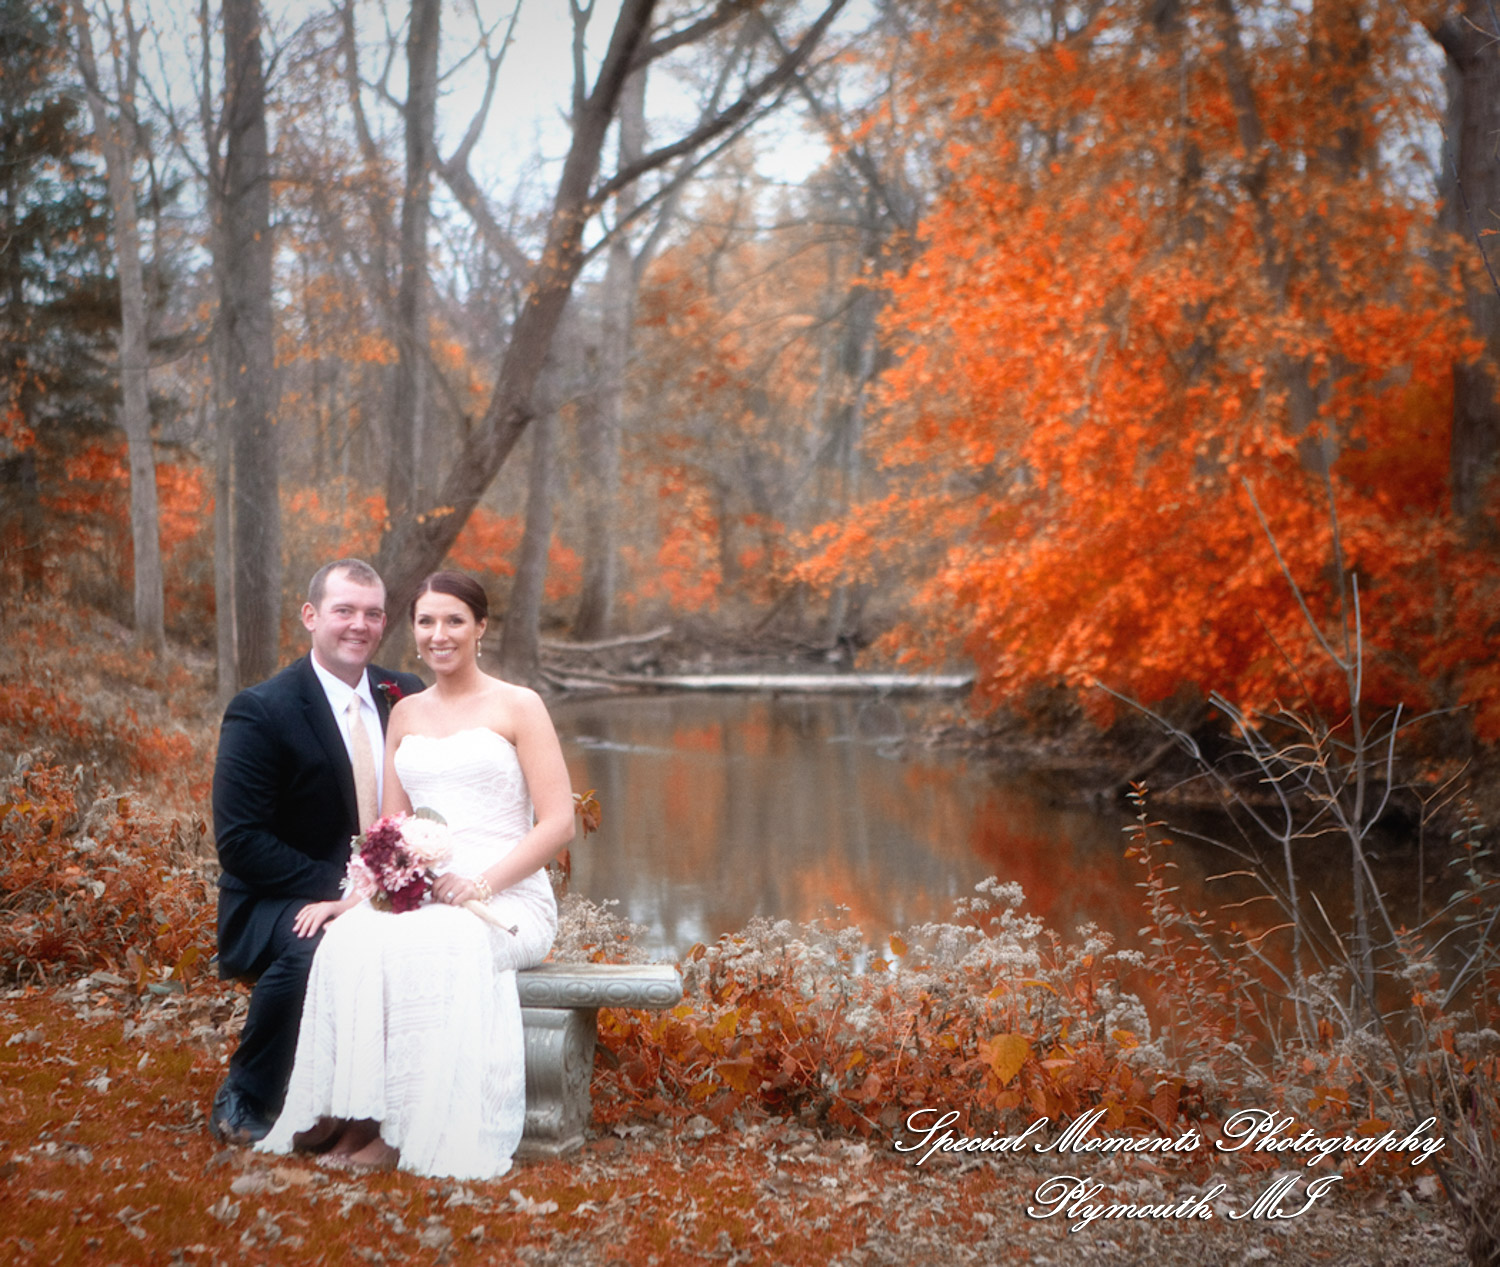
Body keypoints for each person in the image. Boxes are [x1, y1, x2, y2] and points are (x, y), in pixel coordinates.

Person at [257, 570, 574, 1179]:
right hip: (422, 893)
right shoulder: (404, 714)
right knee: (351, 940)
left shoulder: (519, 706)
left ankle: (405, 1128)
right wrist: (352, 900)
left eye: (454, 620)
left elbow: (559, 823)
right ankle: (355, 1113)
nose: (439, 634)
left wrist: (481, 883)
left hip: (504, 902)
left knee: (439, 941)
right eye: (426, 621)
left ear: (481, 628)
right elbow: (390, 832)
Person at [209, 559, 424, 1144]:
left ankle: (395, 1101)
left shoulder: (406, 693)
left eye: (373, 613)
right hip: (279, 897)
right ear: (310, 616)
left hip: (395, 890)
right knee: (324, 947)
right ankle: (248, 1093)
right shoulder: (262, 710)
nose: (359, 625)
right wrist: (349, 892)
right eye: (343, 610)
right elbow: (240, 842)